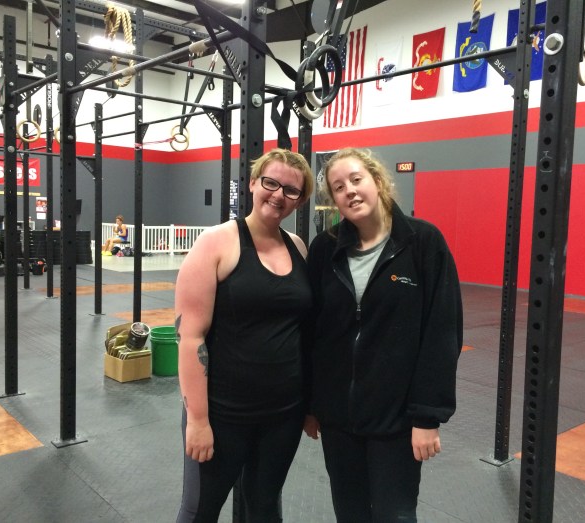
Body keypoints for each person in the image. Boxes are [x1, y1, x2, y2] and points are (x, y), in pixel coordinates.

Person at [303, 148, 463, 522]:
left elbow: (441, 333)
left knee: (395, 514)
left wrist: (427, 417)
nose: (349, 191)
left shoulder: (423, 242)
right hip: (339, 420)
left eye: (356, 179)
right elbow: (312, 333)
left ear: (377, 181)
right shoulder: (325, 249)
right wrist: (311, 406)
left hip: (397, 420)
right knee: (350, 513)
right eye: (338, 187)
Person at [175, 148, 314, 522]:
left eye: (291, 190)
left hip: (283, 414)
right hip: (223, 413)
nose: (278, 195)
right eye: (271, 182)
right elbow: (190, 337)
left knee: (264, 505)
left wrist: (310, 406)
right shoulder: (216, 242)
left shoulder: (298, 248)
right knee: (200, 509)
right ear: (253, 183)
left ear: (300, 200)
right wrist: (198, 420)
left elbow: (305, 332)